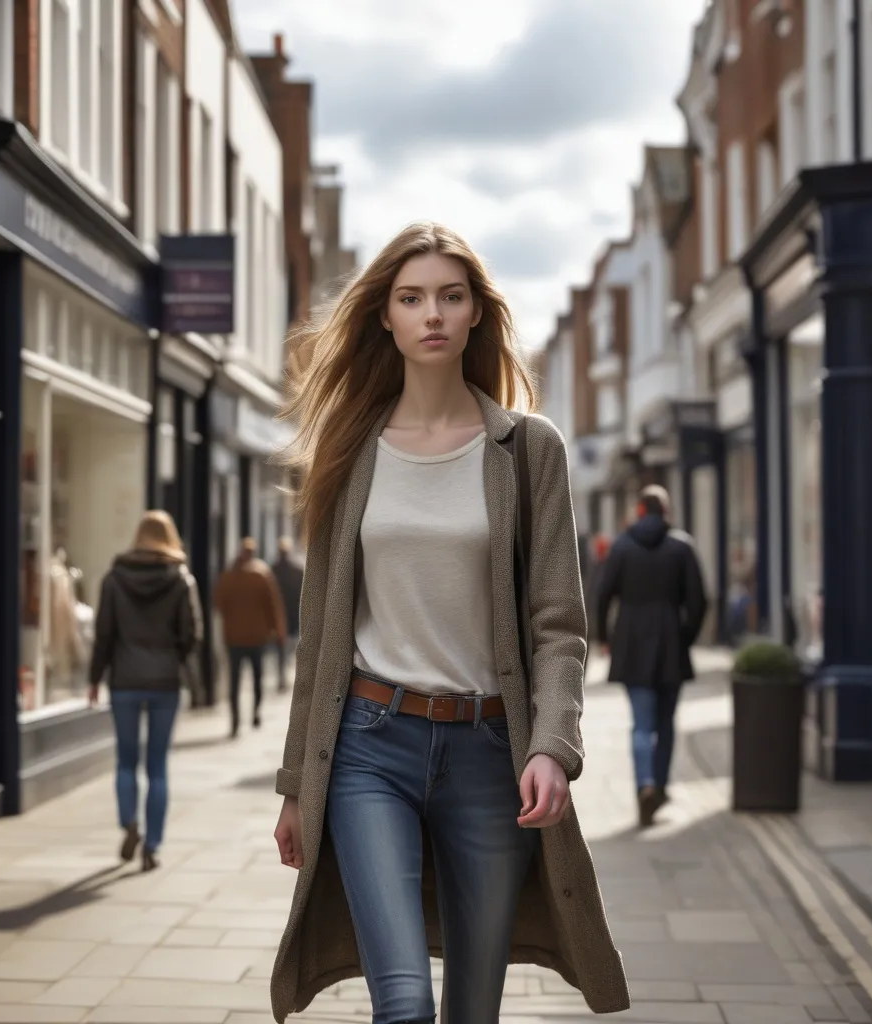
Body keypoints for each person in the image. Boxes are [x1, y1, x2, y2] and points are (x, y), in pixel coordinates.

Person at [268, 222, 630, 1024]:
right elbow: (320, 637)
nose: (431, 312)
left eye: (449, 296)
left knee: (472, 1007)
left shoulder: (528, 449)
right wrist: (298, 785)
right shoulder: (348, 449)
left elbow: (559, 623)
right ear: (386, 319)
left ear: (475, 314)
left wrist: (552, 747)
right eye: (411, 297)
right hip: (368, 744)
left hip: (489, 755)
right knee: (403, 1004)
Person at [88, 510, 203, 872]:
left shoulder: (114, 578)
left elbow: (103, 634)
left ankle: (129, 823)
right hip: (165, 683)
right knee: (157, 767)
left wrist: (94, 678)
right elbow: (192, 633)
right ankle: (152, 845)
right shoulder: (182, 580)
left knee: (125, 761)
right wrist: (174, 658)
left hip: (123, 680)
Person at [596, 485, 708, 828]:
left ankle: (644, 785)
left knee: (641, 724)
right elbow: (700, 601)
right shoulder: (681, 547)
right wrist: (684, 636)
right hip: (671, 644)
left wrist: (607, 637)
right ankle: (659, 787)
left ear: (640, 512)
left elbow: (601, 596)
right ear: (667, 511)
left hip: (631, 644)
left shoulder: (622, 547)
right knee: (666, 723)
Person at [213, 537, 287, 737]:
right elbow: (273, 605)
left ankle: (235, 720)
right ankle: (255, 712)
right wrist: (277, 630)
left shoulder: (228, 576)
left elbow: (218, 604)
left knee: (234, 680)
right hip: (257, 637)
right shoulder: (262, 574)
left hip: (233, 637)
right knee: (257, 677)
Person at [269, 536, 304, 693]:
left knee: (283, 649)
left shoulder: (273, 570)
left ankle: (283, 677)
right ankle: (288, 677)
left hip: (280, 616)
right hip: (293, 615)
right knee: (291, 648)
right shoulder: (297, 570)